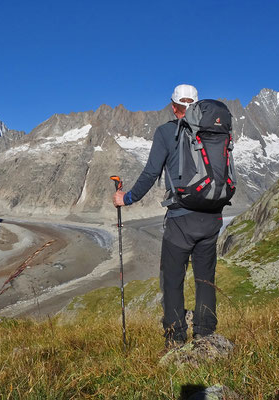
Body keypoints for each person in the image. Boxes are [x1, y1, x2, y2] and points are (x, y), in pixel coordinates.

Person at [112, 84, 223, 346]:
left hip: (180, 221)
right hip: (212, 217)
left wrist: (126, 198)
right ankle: (206, 335)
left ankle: (175, 337)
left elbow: (151, 173)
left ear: (173, 106)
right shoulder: (216, 133)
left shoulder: (165, 132)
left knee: (172, 280)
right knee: (205, 279)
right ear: (197, 106)